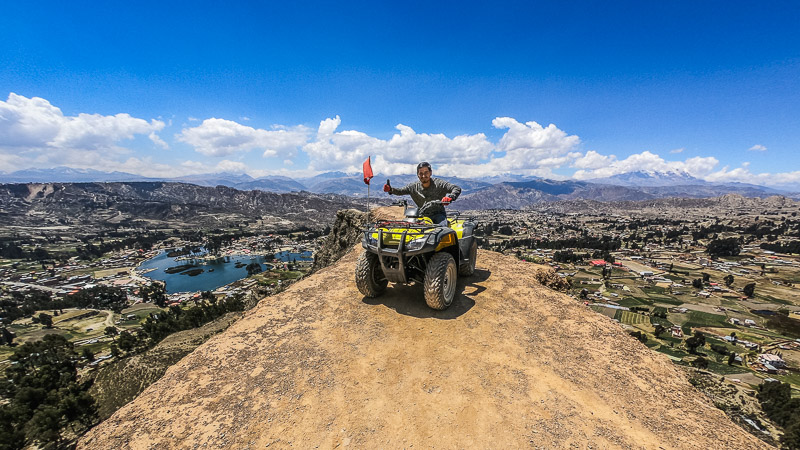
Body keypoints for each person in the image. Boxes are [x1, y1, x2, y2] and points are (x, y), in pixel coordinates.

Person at [383, 161, 461, 226]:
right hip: (422, 216)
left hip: (438, 215)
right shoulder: (413, 187)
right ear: (417, 175)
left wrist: (450, 197)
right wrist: (390, 189)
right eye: (421, 173)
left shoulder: (439, 184)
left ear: (430, 173)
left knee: (442, 231)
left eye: (426, 172)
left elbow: (456, 188)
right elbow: (400, 191)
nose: (423, 176)